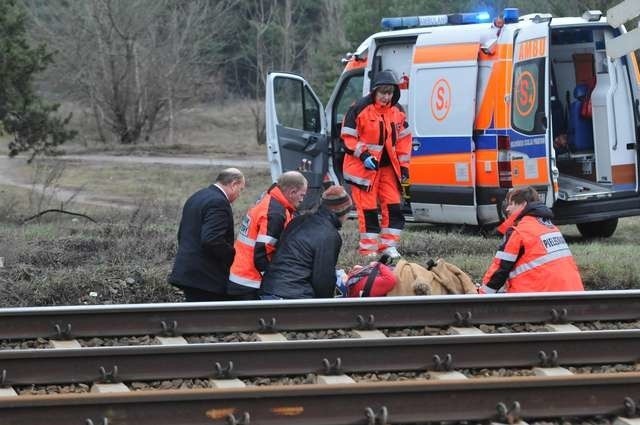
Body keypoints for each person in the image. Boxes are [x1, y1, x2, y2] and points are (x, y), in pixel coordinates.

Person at [341, 69, 412, 259]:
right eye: (383, 92)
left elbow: (404, 140)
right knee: (369, 210)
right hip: (364, 170)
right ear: (375, 91)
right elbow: (348, 138)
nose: (386, 96)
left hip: (388, 169)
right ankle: (368, 250)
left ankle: (388, 246)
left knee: (394, 206)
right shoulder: (359, 108)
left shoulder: (397, 111)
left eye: (390, 92)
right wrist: (363, 156)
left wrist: (404, 168)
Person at [479, 186, 584, 294]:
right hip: (573, 295)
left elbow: (500, 269)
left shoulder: (520, 231)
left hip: (538, 300)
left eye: (511, 204)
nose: (507, 209)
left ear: (523, 204)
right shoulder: (551, 228)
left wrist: (482, 295)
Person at [259, 185, 352, 299]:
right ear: (343, 212)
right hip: (294, 296)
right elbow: (323, 280)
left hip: (268, 290)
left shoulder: (297, 221)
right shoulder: (329, 235)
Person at [227, 171, 308, 300]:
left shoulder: (269, 199)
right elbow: (263, 252)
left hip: (241, 274)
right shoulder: (275, 213)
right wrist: (273, 279)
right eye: (302, 195)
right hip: (250, 280)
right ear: (292, 192)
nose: (302, 199)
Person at [168, 168, 245, 302]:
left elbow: (183, 234)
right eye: (241, 189)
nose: (239, 194)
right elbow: (213, 240)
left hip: (189, 271)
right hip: (206, 277)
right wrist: (233, 257)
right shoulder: (219, 202)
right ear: (234, 184)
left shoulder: (197, 196)